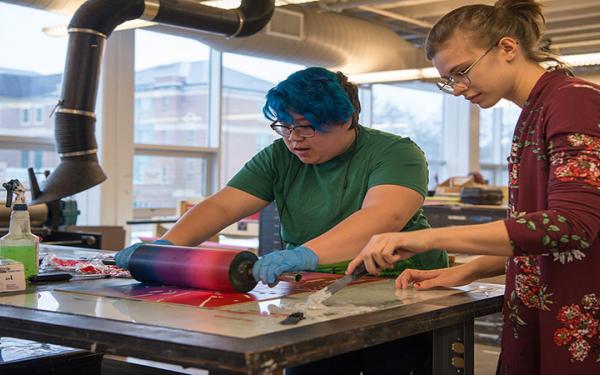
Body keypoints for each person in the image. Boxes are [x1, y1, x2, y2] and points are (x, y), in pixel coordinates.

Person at [116, 67, 447, 374]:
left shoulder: (395, 152)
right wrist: (164, 249)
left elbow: (381, 217)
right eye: (284, 126)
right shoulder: (279, 156)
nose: (294, 138)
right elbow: (222, 206)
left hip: (398, 287)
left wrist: (303, 254)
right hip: (314, 292)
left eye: (307, 126)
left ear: (346, 120)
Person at [348, 1, 600, 374]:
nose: (458, 88)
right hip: (539, 312)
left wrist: (431, 239)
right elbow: (535, 235)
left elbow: (572, 225)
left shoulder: (573, 101)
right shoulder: (536, 111)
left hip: (575, 316)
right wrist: (467, 271)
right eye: (450, 80)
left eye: (462, 72)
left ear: (508, 48)